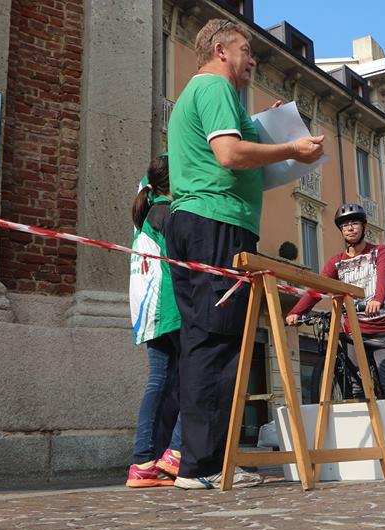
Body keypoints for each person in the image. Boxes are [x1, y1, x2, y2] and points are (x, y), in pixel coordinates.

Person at [164, 18, 325, 490]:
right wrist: (290, 146)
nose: (252, 60)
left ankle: (201, 461)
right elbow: (230, 156)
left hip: (203, 223)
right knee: (217, 342)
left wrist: (263, 127)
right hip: (217, 225)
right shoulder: (214, 88)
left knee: (205, 340)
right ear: (220, 50)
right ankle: (205, 466)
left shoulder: (211, 96)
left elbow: (230, 143)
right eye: (246, 50)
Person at [285, 204, 385, 399]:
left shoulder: (379, 251)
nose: (350, 228)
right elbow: (317, 288)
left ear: (364, 226)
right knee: (357, 389)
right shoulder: (336, 262)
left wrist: (378, 299)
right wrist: (297, 312)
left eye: (354, 223)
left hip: (382, 332)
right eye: (345, 225)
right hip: (354, 332)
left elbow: (384, 278)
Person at [126, 154, 183, 488]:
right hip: (169, 304)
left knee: (158, 381)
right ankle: (176, 453)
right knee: (194, 375)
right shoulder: (167, 212)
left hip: (149, 309)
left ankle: (143, 462)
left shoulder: (147, 213)